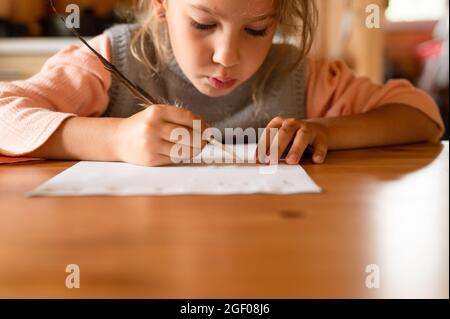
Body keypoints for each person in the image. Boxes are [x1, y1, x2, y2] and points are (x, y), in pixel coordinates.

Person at [0, 0, 444, 167]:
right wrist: (114, 139)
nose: (227, 57)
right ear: (160, 5)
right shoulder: (109, 62)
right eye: (202, 23)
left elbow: (420, 115)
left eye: (257, 31)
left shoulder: (298, 73)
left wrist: (325, 130)